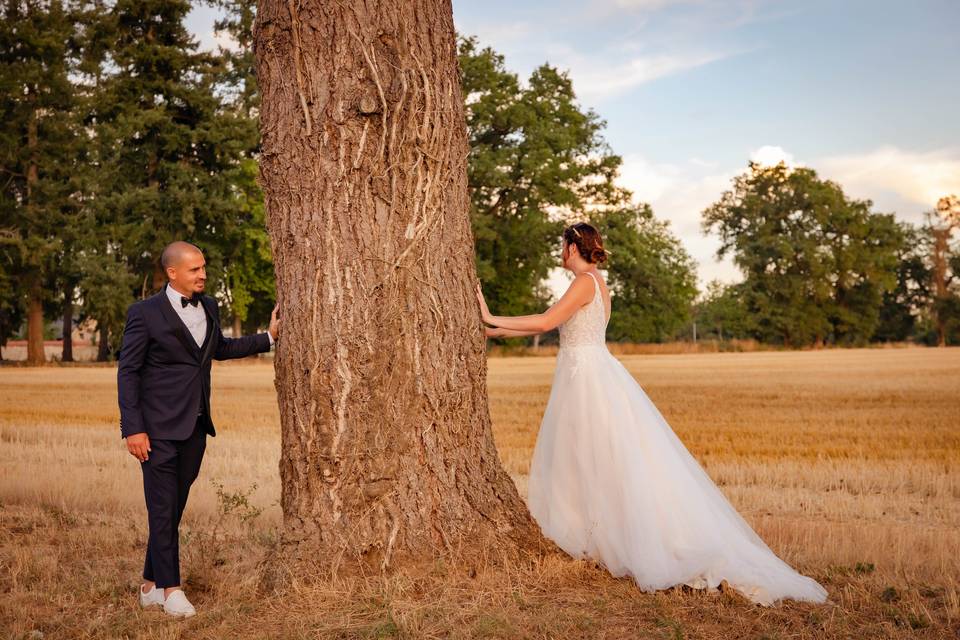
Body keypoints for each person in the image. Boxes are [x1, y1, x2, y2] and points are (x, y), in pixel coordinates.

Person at [476, 222, 827, 606]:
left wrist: (491, 315)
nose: (560, 251)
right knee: (585, 460)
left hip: (588, 381)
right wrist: (495, 331)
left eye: (563, 244)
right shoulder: (591, 282)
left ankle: (616, 540)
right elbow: (557, 326)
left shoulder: (585, 282)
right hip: (585, 376)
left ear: (573, 246)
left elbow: (545, 322)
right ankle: (591, 535)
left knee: (599, 459)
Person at [117, 241, 280, 618]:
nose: (203, 274)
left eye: (204, 267)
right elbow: (127, 372)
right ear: (172, 273)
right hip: (155, 430)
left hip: (195, 426)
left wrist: (268, 338)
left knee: (172, 506)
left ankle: (148, 584)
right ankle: (172, 590)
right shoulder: (144, 313)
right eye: (195, 269)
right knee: (161, 507)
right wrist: (133, 429)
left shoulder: (208, 306)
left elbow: (219, 348)